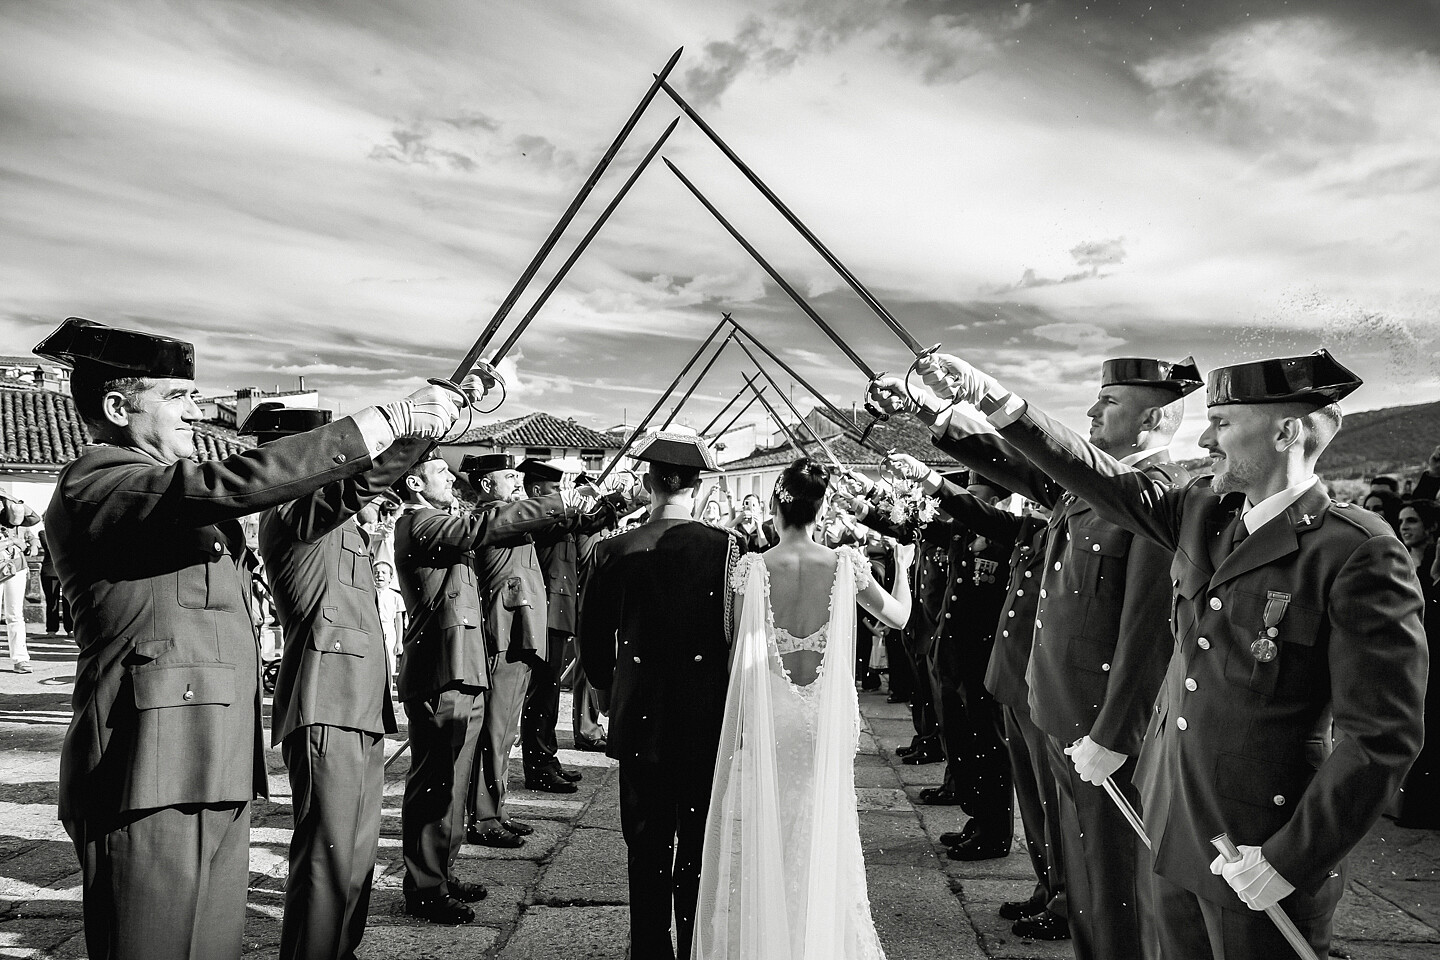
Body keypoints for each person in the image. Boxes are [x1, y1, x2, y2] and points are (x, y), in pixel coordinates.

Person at [888, 346, 1428, 959]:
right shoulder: (1204, 514)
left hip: (1257, 840)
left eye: (1223, 423)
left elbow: (1381, 736)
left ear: (1287, 432)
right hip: (1175, 817)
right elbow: (1094, 475)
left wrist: (1291, 856)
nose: (1206, 436)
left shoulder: (1353, 551)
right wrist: (998, 403)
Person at [35, 315, 470, 960]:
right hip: (143, 767)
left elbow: (347, 487)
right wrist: (382, 419)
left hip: (215, 761)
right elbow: (229, 484)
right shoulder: (98, 483)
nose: (194, 412)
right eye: (176, 398)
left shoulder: (170, 492)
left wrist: (428, 423)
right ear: (117, 405)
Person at [877, 356, 1198, 958]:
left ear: (1152, 417)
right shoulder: (1083, 494)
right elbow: (1023, 463)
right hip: (1058, 706)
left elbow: (1147, 634)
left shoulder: (1160, 496)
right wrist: (933, 410)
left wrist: (1116, 732)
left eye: (1109, 403)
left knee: (1115, 881)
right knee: (1081, 873)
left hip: (1100, 727)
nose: (1092, 411)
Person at [692, 458, 911, 959]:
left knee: (774, 822)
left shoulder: (752, 569)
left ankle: (773, 935)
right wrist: (906, 566)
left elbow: (736, 654)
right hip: (827, 714)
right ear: (823, 508)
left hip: (775, 712)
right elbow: (898, 618)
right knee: (823, 823)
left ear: (774, 506)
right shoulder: (845, 566)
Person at [249, 403, 429, 960]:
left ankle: (339, 949)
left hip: (357, 701)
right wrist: (419, 430)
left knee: (356, 850)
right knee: (327, 855)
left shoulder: (331, 519)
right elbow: (360, 483)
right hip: (325, 699)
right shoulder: (293, 512)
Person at [390, 447, 593, 922]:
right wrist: (560, 502)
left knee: (454, 783)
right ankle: (424, 887)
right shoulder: (419, 523)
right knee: (434, 785)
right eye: (441, 472)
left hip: (465, 665)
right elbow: (480, 526)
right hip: (441, 669)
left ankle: (441, 873)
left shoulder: (439, 519)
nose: (452, 480)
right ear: (415, 484)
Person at [579, 430, 744, 960]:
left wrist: (607, 695)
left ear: (648, 484)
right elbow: (736, 635)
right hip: (703, 712)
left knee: (646, 841)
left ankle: (650, 947)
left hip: (640, 713)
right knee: (697, 838)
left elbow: (593, 641)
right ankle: (695, 940)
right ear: (696, 486)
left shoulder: (611, 549)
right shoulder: (725, 548)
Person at [518, 458, 622, 798]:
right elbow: (580, 520)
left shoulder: (551, 517)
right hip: (545, 613)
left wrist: (611, 502)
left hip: (558, 611)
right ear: (536, 490)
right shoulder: (536, 516)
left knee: (548, 693)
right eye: (553, 489)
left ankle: (547, 759)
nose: (559, 494)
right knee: (542, 693)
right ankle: (539, 766)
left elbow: (587, 525)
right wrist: (604, 504)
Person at [1396, 499, 1440, 828]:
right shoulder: (1399, 561)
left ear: (1431, 527)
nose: (1405, 526)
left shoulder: (1431, 567)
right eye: (1402, 520)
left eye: (1412, 520)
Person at [0, 493, 40, 671]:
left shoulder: (12, 517)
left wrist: (10, 498)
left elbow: (34, 518)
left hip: (15, 567)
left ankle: (20, 659)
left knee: (15, 615)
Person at [373, 560, 406, 678]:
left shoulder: (396, 597)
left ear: (390, 577)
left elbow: (398, 620)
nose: (379, 575)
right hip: (372, 630)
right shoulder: (369, 594)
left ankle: (388, 695)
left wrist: (398, 641)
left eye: (383, 573)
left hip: (388, 632)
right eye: (376, 573)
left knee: (388, 666)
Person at [37, 529, 72, 638]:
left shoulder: (70, 532)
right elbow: (51, 546)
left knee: (68, 601)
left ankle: (70, 628)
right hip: (50, 571)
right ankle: (51, 629)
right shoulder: (44, 533)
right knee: (52, 602)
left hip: (68, 571)